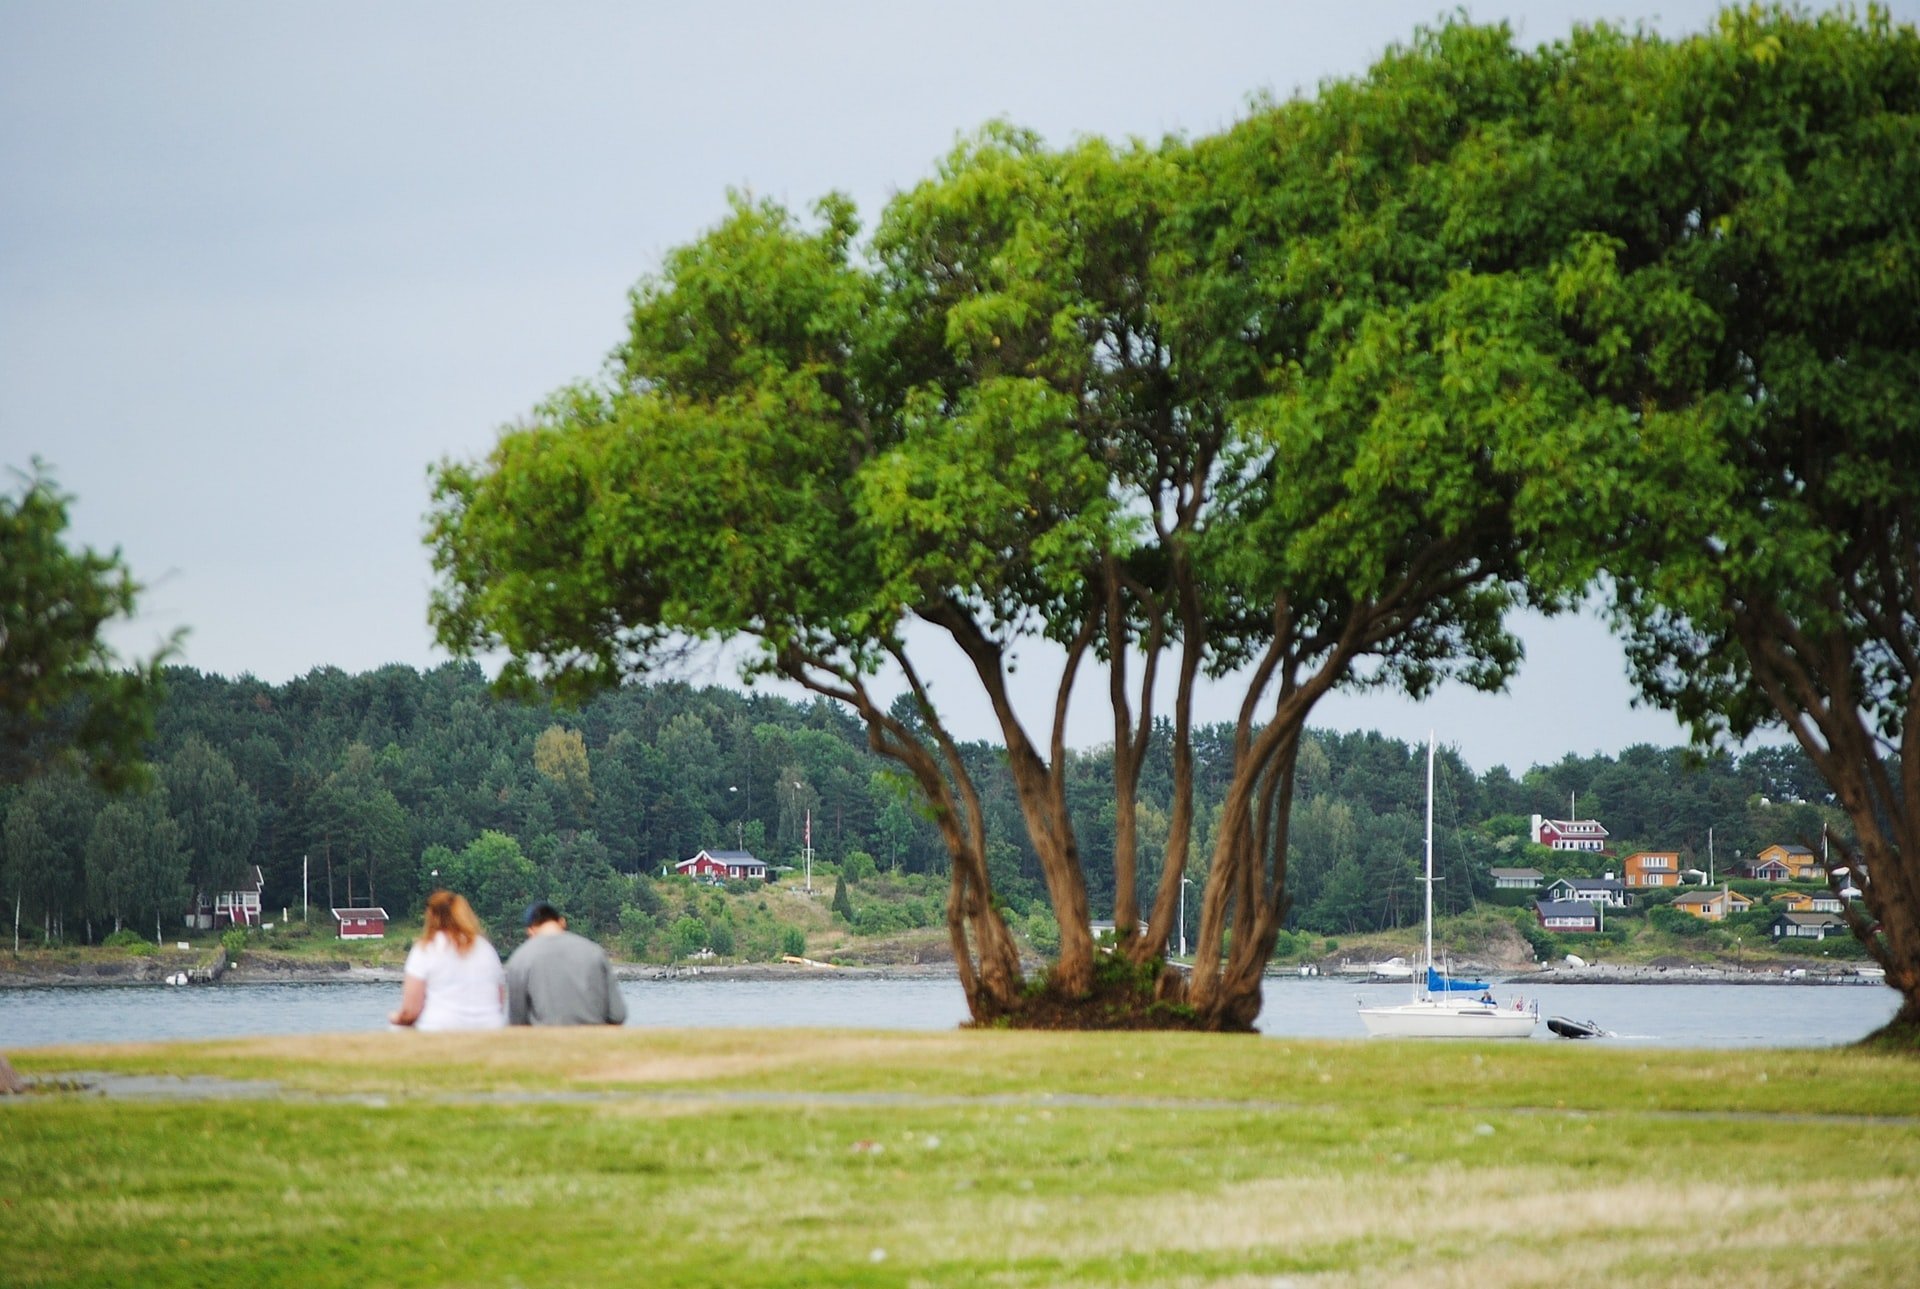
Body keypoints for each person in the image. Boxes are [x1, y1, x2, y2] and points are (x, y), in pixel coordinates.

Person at [389, 889, 506, 1031]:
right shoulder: (486, 948)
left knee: (397, 1028)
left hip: (440, 1028)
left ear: (431, 916)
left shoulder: (425, 949)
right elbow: (499, 1001)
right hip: (490, 1027)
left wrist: (394, 1018)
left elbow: (411, 1011)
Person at [505, 900, 627, 1026]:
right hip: (593, 1039)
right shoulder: (595, 951)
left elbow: (517, 1021)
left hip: (546, 1041)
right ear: (562, 922)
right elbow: (618, 1014)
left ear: (530, 930)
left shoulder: (520, 958)